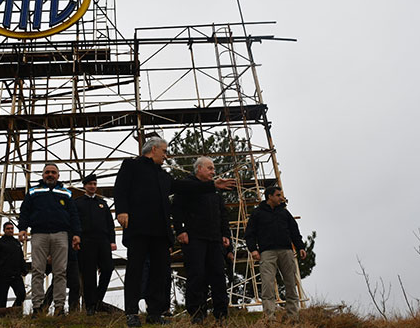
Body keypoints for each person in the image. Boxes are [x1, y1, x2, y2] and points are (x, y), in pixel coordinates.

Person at [114, 137, 235, 327]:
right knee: (136, 270)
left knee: (160, 272)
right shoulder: (131, 165)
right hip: (138, 227)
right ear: (153, 149)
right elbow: (120, 188)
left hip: (161, 231)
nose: (166, 155)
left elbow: (183, 186)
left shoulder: (163, 175)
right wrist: (122, 210)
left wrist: (212, 186)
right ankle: (131, 312)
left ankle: (155, 312)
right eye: (164, 151)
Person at [18, 163, 82, 316]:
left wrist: (76, 233)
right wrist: (22, 228)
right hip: (39, 234)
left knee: (60, 272)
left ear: (58, 176)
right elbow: (25, 211)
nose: (50, 175)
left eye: (53, 172)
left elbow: (73, 214)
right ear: (42, 175)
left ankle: (59, 307)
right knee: (38, 271)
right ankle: (37, 307)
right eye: (47, 172)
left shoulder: (66, 193)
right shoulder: (33, 191)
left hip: (61, 235)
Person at [172, 156, 230, 324]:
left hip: (214, 239)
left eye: (213, 168)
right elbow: (176, 210)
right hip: (194, 238)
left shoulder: (215, 189)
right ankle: (197, 312)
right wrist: (180, 230)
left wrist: (225, 234)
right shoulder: (187, 186)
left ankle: (221, 313)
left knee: (218, 274)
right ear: (198, 169)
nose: (213, 171)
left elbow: (222, 213)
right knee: (197, 275)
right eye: (210, 168)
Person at [244, 186, 307, 322]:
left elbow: (294, 231)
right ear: (269, 196)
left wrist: (300, 247)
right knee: (267, 286)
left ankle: (293, 317)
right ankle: (269, 319)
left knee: (291, 284)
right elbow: (249, 234)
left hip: (286, 251)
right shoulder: (258, 213)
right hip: (267, 253)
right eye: (278, 195)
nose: (281, 198)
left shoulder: (284, 213)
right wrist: (253, 249)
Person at [74, 174, 116, 315]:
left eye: (94, 184)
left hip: (103, 241)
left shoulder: (102, 203)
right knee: (89, 274)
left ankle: (98, 299)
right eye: (90, 184)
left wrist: (112, 241)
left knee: (108, 268)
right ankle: (90, 306)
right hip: (86, 241)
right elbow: (75, 223)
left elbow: (110, 224)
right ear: (84, 186)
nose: (92, 186)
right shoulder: (78, 203)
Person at [0, 221, 27, 308]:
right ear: (4, 230)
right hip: (3, 275)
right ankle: (1, 317)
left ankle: (12, 311)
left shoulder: (16, 243)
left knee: (22, 294)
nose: (10, 230)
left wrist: (24, 269)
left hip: (16, 275)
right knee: (2, 299)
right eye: (8, 229)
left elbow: (20, 257)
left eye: (12, 228)